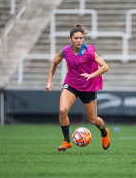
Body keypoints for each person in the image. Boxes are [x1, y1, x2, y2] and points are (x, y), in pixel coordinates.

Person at [46, 23, 110, 151]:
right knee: (63, 110)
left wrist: (91, 75)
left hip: (88, 87)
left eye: (81, 38)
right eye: (76, 38)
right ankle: (67, 141)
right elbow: (54, 63)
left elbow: (105, 67)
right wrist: (49, 81)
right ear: (70, 39)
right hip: (71, 84)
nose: (79, 40)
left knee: (93, 120)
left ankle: (104, 131)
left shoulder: (90, 51)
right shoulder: (65, 51)